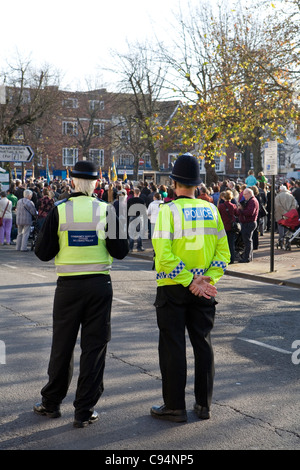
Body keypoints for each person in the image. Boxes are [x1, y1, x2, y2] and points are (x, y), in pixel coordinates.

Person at [33, 161, 129, 428]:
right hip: (99, 286)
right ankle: (84, 411)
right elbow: (121, 251)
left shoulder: (59, 210)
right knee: (94, 348)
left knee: (62, 346)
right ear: (96, 183)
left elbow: (42, 253)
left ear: (72, 181)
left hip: (68, 288)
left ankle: (51, 403)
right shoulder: (106, 210)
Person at [150, 153, 230, 423]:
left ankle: (175, 407)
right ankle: (204, 404)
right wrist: (207, 280)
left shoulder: (167, 211)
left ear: (173, 183)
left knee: (173, 346)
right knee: (203, 344)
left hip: (173, 287)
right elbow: (223, 253)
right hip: (204, 290)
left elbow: (163, 255)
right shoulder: (212, 210)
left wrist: (188, 280)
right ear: (197, 184)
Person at [237, 188, 259, 263]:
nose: (244, 196)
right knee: (248, 241)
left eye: (245, 195)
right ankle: (249, 257)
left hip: (249, 223)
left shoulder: (252, 201)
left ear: (249, 193)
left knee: (247, 241)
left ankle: (247, 258)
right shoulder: (252, 200)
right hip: (249, 222)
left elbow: (250, 212)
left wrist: (240, 210)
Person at [217, 190, 239, 264]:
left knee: (224, 244)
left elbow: (218, 216)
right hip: (232, 227)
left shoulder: (221, 206)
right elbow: (237, 214)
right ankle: (232, 259)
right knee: (231, 244)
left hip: (223, 227)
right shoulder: (233, 206)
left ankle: (225, 259)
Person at [127, 187, 146, 252]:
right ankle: (139, 247)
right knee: (139, 233)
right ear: (139, 193)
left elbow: (127, 210)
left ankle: (130, 248)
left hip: (132, 216)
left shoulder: (130, 200)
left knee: (131, 233)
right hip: (139, 217)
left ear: (134, 193)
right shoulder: (142, 201)